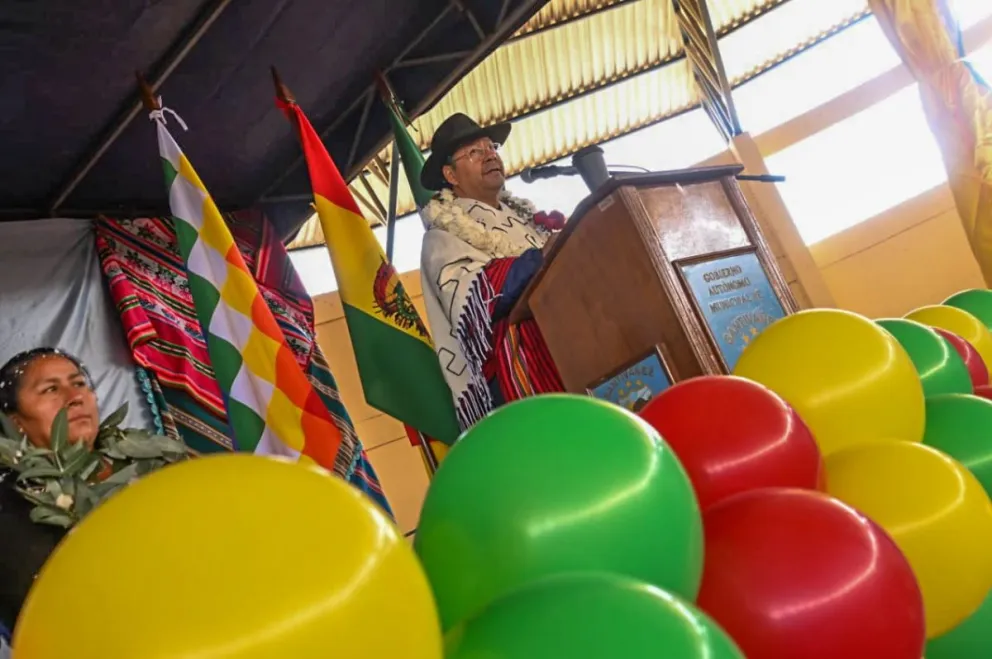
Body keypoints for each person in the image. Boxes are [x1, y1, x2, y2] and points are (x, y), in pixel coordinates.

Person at [419, 113, 566, 431]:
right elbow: (474, 295)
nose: (490, 155)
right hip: (519, 368)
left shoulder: (523, 217)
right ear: (450, 175)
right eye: (474, 151)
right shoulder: (442, 236)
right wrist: (538, 259)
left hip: (568, 340)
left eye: (491, 146)